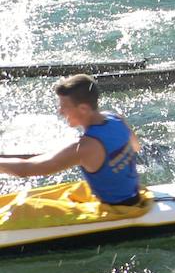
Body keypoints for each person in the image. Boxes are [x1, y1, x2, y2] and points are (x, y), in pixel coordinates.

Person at [0, 74, 141, 206]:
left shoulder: (85, 148)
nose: (60, 111)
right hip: (135, 195)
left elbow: (26, 168)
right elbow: (135, 146)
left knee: (24, 207)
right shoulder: (116, 119)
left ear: (84, 109)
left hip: (117, 209)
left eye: (64, 107)